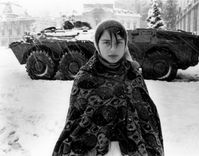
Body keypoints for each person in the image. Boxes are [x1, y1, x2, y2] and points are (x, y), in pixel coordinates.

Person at [52, 19, 164, 156]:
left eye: (118, 43)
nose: (113, 49)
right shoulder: (85, 78)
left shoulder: (133, 76)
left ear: (125, 45)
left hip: (132, 149)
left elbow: (147, 117)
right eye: (106, 42)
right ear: (97, 44)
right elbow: (75, 121)